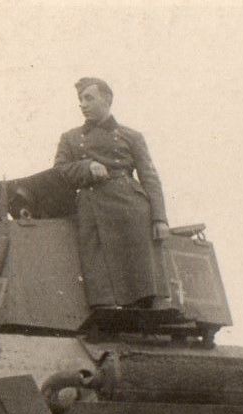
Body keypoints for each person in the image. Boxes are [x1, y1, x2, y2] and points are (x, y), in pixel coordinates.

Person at [53, 77, 170, 309]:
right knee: (100, 277)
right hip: (92, 207)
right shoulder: (70, 138)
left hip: (131, 209)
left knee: (141, 279)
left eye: (89, 98)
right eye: (80, 100)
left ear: (107, 100)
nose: (82, 104)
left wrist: (160, 218)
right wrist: (86, 167)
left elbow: (149, 176)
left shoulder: (132, 136)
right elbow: (59, 171)